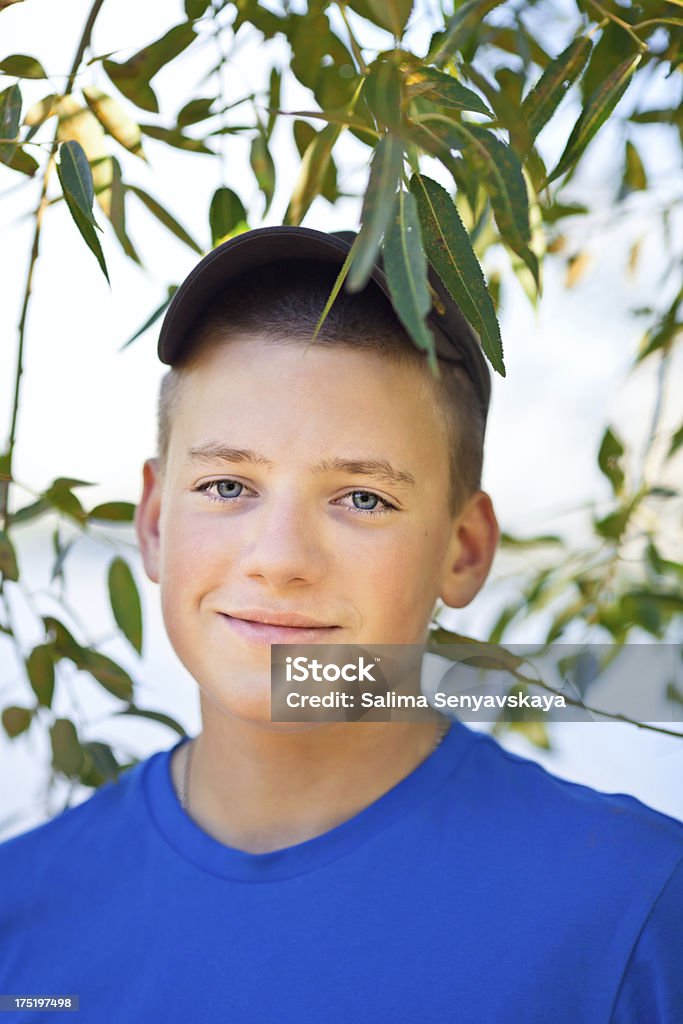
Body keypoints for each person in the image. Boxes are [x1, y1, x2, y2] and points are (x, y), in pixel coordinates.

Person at [0, 226, 681, 1023]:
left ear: (461, 553)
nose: (279, 558)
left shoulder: (631, 908)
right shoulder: (22, 910)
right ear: (153, 523)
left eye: (363, 498)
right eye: (227, 486)